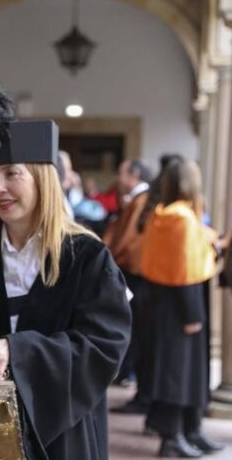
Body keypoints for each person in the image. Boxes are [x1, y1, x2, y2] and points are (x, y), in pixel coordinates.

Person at [0, 80, 131, 460]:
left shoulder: (86, 257)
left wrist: (14, 351)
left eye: (11, 173)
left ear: (41, 177)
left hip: (62, 433)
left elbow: (103, 345)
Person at [139, 158, 225, 457]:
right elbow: (185, 268)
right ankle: (173, 437)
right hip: (183, 303)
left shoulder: (161, 214)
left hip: (161, 300)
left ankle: (191, 430)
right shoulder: (183, 218)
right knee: (178, 373)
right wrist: (192, 314)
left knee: (179, 371)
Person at [104, 159, 152, 403]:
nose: (118, 178)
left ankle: (127, 373)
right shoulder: (134, 200)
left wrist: (109, 258)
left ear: (134, 175)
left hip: (132, 272)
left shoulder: (141, 200)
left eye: (122, 173)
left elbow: (129, 240)